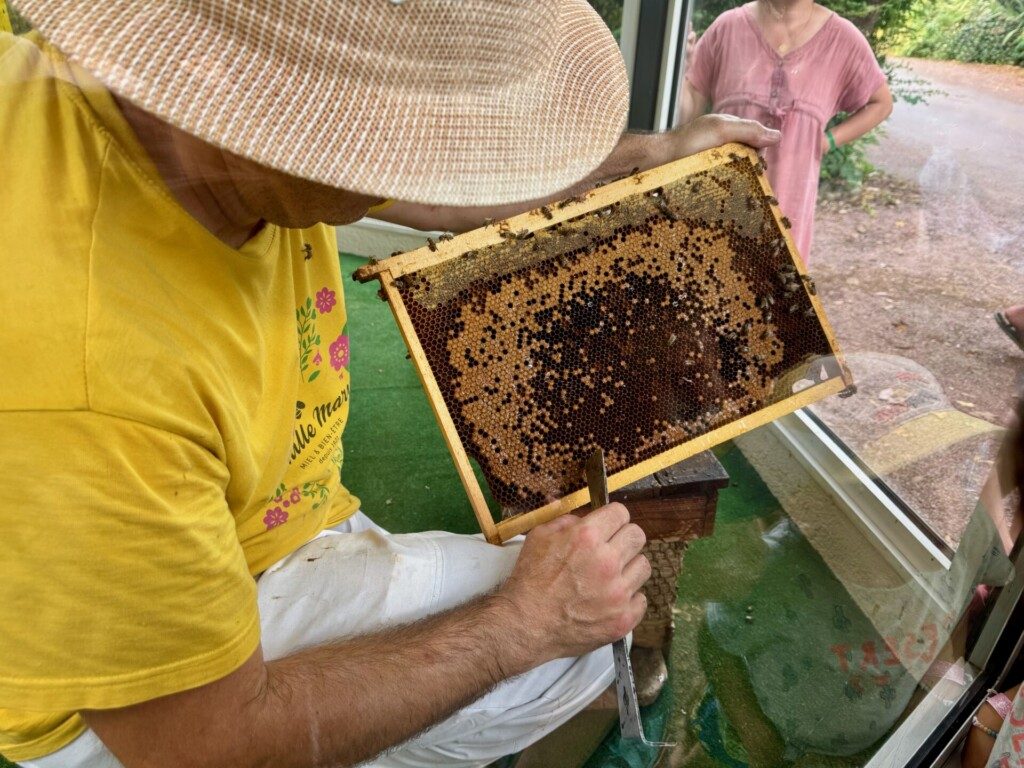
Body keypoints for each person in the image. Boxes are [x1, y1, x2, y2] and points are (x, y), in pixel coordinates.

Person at [0, 2, 782, 767]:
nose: (414, 170)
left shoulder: (161, 98)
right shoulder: (87, 380)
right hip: (127, 718)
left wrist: (647, 155)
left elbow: (396, 181)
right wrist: (522, 625)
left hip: (249, 524)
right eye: (390, 139)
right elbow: (198, 744)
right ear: (229, 93)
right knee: (577, 643)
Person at [677, 0, 894, 261]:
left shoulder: (843, 40)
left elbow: (881, 103)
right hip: (716, 214)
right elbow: (688, 112)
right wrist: (677, 71)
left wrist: (827, 142)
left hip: (788, 222)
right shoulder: (727, 27)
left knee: (773, 296)